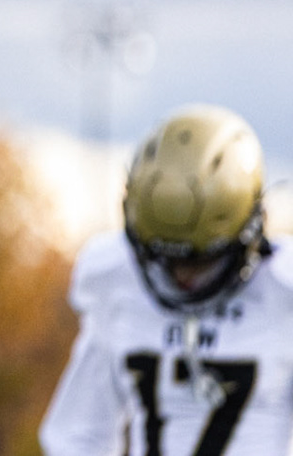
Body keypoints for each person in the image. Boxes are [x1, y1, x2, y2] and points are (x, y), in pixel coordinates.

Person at [40, 105, 293, 456]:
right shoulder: (118, 282)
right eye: (164, 260)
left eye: (201, 261)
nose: (182, 277)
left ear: (250, 232)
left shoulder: (283, 294)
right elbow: (77, 437)